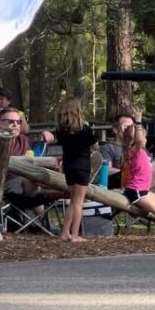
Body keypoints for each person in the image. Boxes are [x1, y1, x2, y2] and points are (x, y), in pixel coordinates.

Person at [55, 98, 98, 242]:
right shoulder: (85, 129)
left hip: (68, 165)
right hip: (82, 166)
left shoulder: (61, 130)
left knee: (73, 200)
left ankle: (65, 232)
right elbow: (95, 145)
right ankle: (75, 235)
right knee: (79, 202)